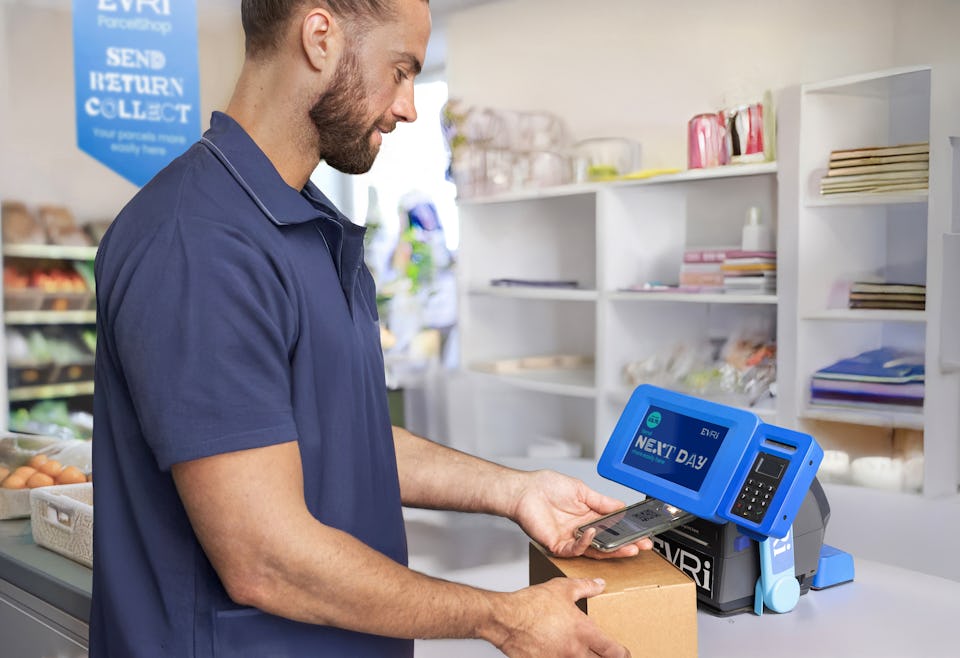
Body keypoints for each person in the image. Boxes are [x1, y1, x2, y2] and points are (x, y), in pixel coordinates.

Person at [90, 1, 652, 656]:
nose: (409, 107)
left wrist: (516, 490)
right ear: (320, 36)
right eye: (401, 69)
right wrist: (500, 617)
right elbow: (264, 558)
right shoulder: (200, 243)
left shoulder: (304, 226)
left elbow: (336, 437)